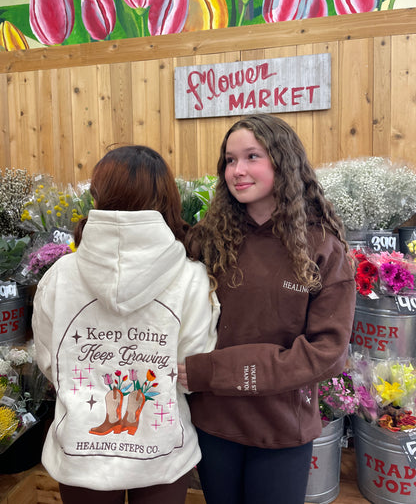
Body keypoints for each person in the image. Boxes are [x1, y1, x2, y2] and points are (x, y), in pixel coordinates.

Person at [178, 114, 356, 504]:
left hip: (282, 427)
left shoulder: (322, 247)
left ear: (282, 161)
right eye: (229, 160)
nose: (237, 171)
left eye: (251, 156)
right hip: (213, 422)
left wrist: (213, 370)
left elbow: (327, 354)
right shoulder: (208, 239)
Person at [32, 145, 219, 504]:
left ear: (98, 196)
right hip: (162, 449)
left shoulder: (59, 277)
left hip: (81, 452)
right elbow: (192, 367)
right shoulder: (191, 278)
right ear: (167, 198)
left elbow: (51, 362)